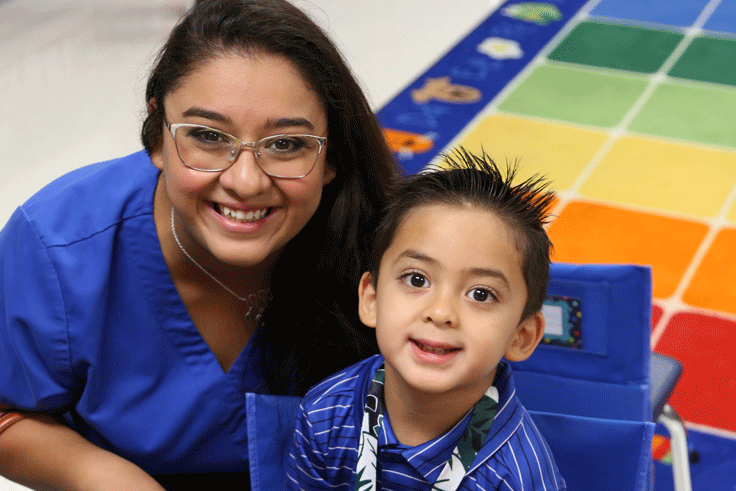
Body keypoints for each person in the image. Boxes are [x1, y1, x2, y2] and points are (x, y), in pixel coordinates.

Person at [0, 1, 396, 489]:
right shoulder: (58, 247)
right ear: (157, 137)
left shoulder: (388, 246)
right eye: (208, 136)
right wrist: (100, 475)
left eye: (287, 144)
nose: (246, 182)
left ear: (332, 154)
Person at [287, 148, 567, 490]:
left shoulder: (518, 478)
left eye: (481, 294)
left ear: (521, 336)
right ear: (372, 300)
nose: (440, 313)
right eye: (417, 279)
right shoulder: (324, 413)